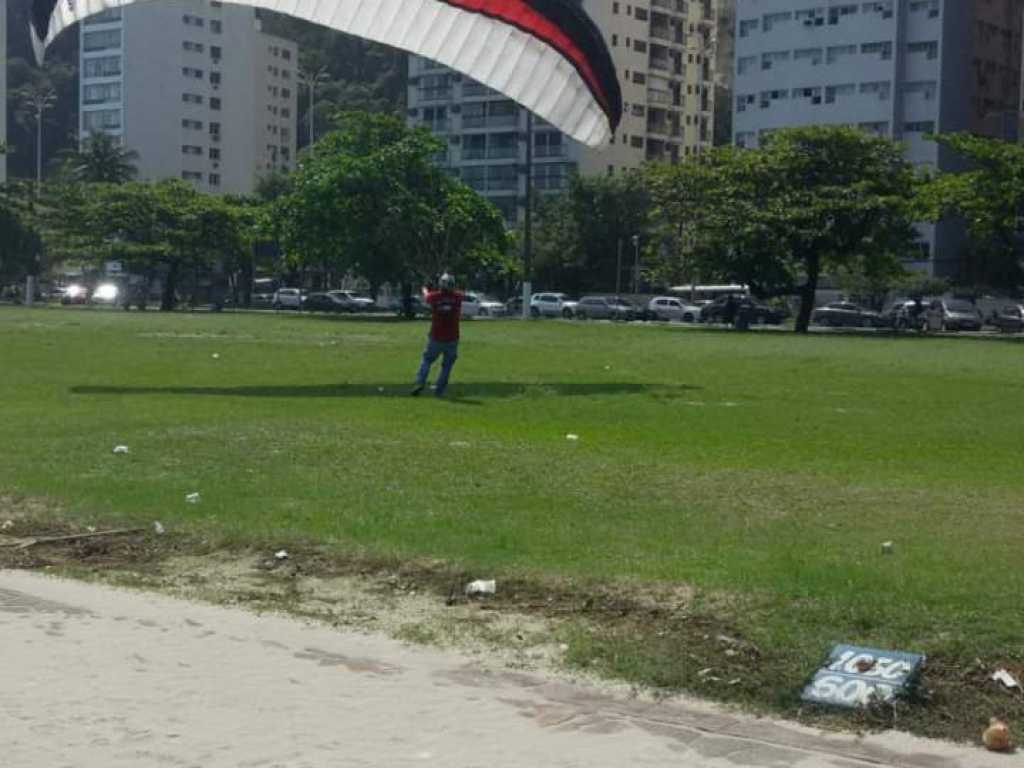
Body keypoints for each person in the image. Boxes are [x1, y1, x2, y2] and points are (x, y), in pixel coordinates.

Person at [411, 273, 463, 397]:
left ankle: (419, 382)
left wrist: (426, 287)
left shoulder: (435, 297)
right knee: (447, 365)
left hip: (436, 336)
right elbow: (456, 293)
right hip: (452, 337)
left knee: (427, 360)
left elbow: (426, 297)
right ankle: (439, 389)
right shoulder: (458, 297)